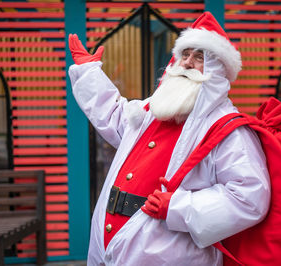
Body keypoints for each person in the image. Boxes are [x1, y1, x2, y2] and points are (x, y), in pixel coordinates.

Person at [69, 12, 270, 266]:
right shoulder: (155, 109)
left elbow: (249, 197)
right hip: (108, 246)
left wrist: (179, 207)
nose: (187, 63)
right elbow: (115, 116)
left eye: (199, 57)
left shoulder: (228, 129)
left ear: (218, 69)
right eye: (185, 54)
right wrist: (89, 74)